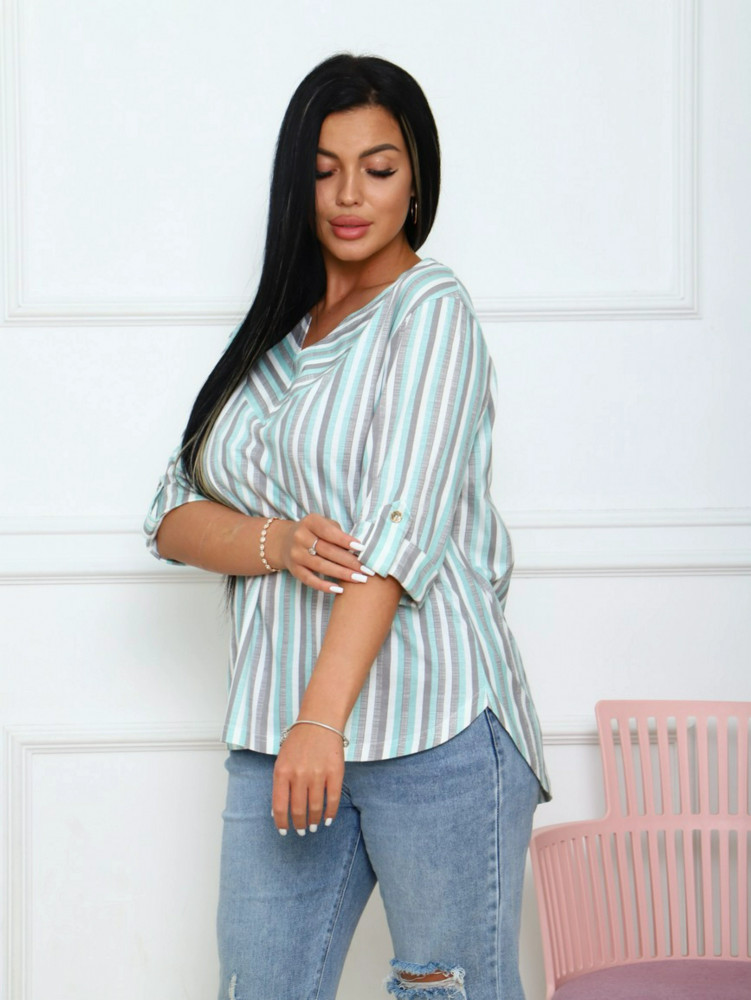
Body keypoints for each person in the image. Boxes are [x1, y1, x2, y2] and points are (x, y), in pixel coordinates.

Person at [144, 53, 550, 1000]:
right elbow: (170, 514)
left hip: (430, 725)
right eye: (324, 170)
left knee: (442, 992)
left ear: (417, 180)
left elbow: (396, 537)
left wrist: (322, 718)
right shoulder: (273, 338)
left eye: (378, 167)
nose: (349, 195)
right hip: (278, 732)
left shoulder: (432, 310)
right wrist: (277, 542)